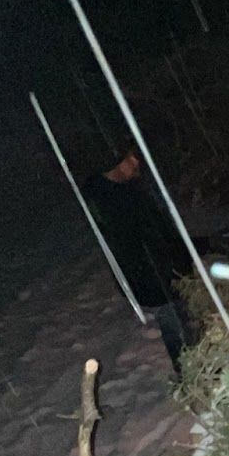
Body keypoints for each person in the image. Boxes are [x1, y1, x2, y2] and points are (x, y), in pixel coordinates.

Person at [83, 149, 200, 376]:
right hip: (150, 275)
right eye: (130, 158)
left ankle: (195, 369)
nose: (136, 163)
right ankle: (190, 376)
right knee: (174, 326)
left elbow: (161, 230)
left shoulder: (131, 189)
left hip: (166, 269)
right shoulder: (106, 200)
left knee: (184, 321)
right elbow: (135, 242)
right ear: (116, 162)